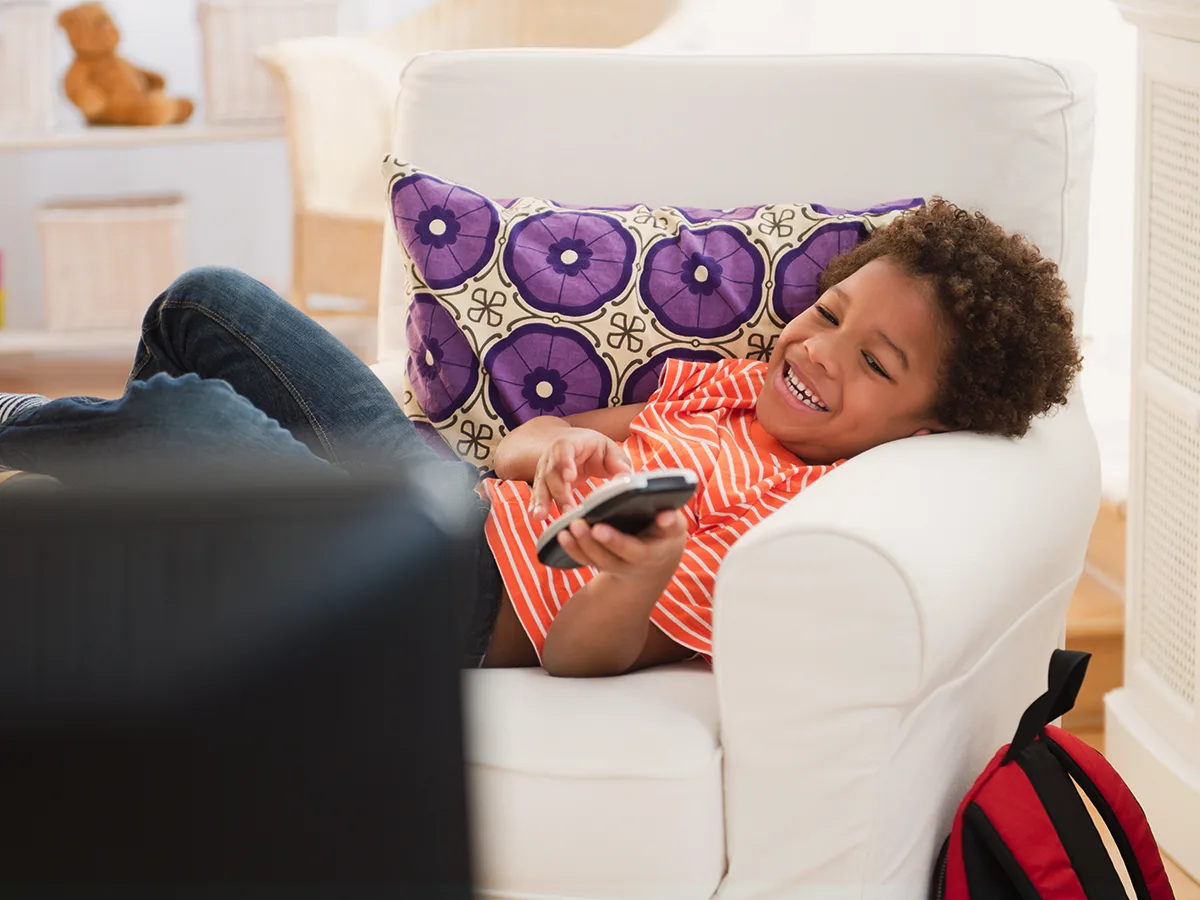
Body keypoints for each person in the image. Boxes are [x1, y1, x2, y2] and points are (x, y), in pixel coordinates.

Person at [0, 200, 1082, 677]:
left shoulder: (792, 516)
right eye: (835, 312)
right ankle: (162, 567)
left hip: (440, 596)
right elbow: (539, 432)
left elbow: (576, 657)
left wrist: (638, 567)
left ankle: (124, 523)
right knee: (210, 302)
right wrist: (552, 452)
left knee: (188, 417)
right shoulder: (731, 390)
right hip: (440, 487)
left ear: (924, 427)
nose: (822, 351)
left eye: (875, 364)